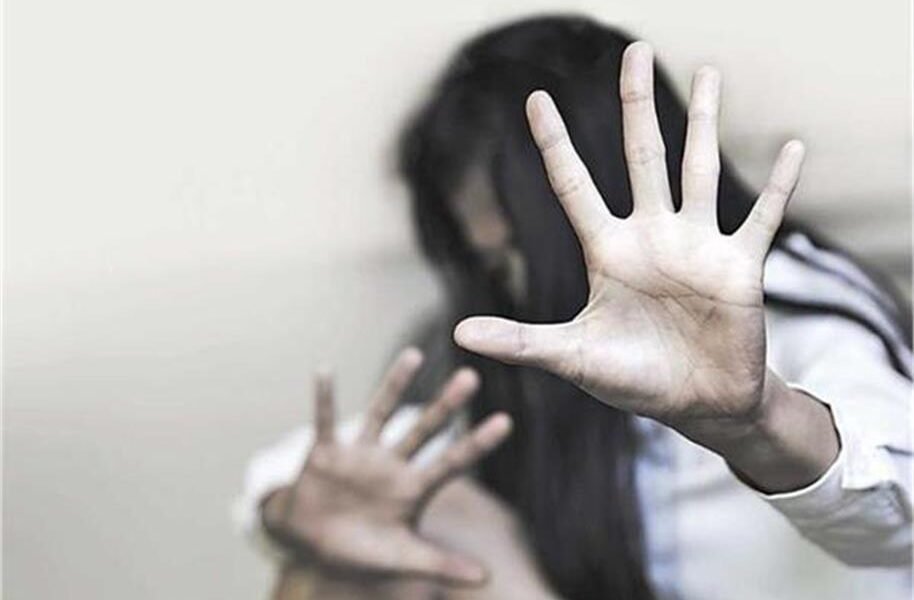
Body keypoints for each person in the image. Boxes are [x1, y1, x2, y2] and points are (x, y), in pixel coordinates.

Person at [234, 15, 913, 599]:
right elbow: (327, 467)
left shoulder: (792, 305)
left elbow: (894, 510)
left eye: (520, 250)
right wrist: (289, 513)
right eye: (490, 263)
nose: (510, 280)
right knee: (354, 554)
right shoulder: (511, 330)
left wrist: (757, 422)